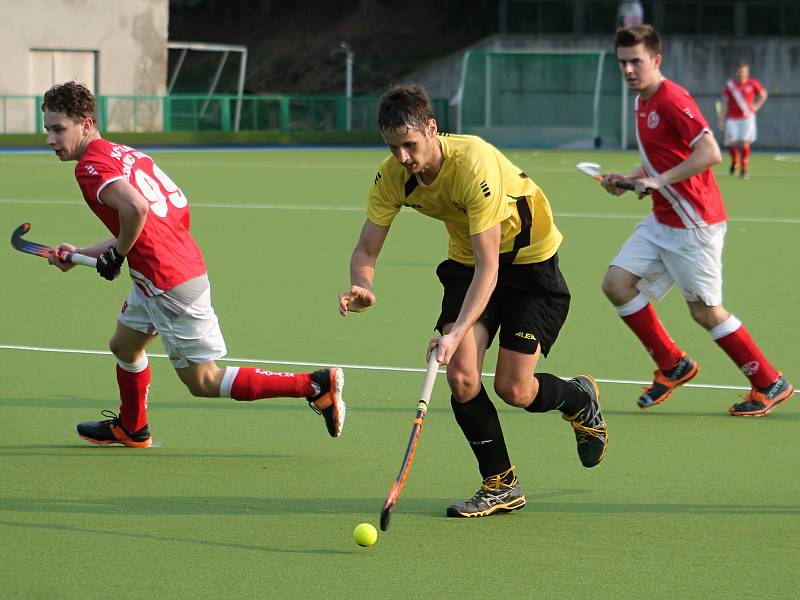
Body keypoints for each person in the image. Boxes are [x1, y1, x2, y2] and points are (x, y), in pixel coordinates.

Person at [338, 84, 608, 519]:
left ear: (432, 128)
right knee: (462, 377)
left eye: (410, 145)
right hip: (469, 264)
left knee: (513, 389)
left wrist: (455, 332)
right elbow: (366, 250)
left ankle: (578, 398)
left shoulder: (472, 163)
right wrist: (361, 285)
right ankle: (500, 482)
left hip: (527, 265)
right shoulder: (392, 175)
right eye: (393, 148)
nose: (403, 157)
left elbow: (492, 268)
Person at [41, 81, 345, 447]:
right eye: (48, 130)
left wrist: (117, 255)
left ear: (86, 124)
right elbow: (160, 215)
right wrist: (84, 255)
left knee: (203, 381)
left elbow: (136, 210)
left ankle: (314, 385)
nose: (51, 139)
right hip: (155, 275)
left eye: (59, 129)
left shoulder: (90, 167)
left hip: (168, 283)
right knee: (124, 346)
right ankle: (132, 427)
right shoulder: (125, 153)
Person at [600, 25, 792, 417]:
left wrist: (658, 181)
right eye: (623, 63)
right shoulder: (641, 100)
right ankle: (673, 364)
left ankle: (769, 382)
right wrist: (629, 179)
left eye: (636, 61)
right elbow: (660, 159)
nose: (629, 70)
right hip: (662, 221)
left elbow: (710, 152)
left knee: (705, 311)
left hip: (694, 226)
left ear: (656, 60)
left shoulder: (672, 98)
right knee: (617, 284)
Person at [718, 62, 767, 179]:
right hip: (732, 119)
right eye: (739, 71)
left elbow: (763, 94)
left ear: (747, 72)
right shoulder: (730, 85)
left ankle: (743, 170)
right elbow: (724, 103)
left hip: (747, 118)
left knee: (745, 142)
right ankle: (735, 161)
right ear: (736, 72)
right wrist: (721, 119)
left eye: (743, 71)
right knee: (732, 143)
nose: (741, 73)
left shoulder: (752, 83)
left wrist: (756, 106)